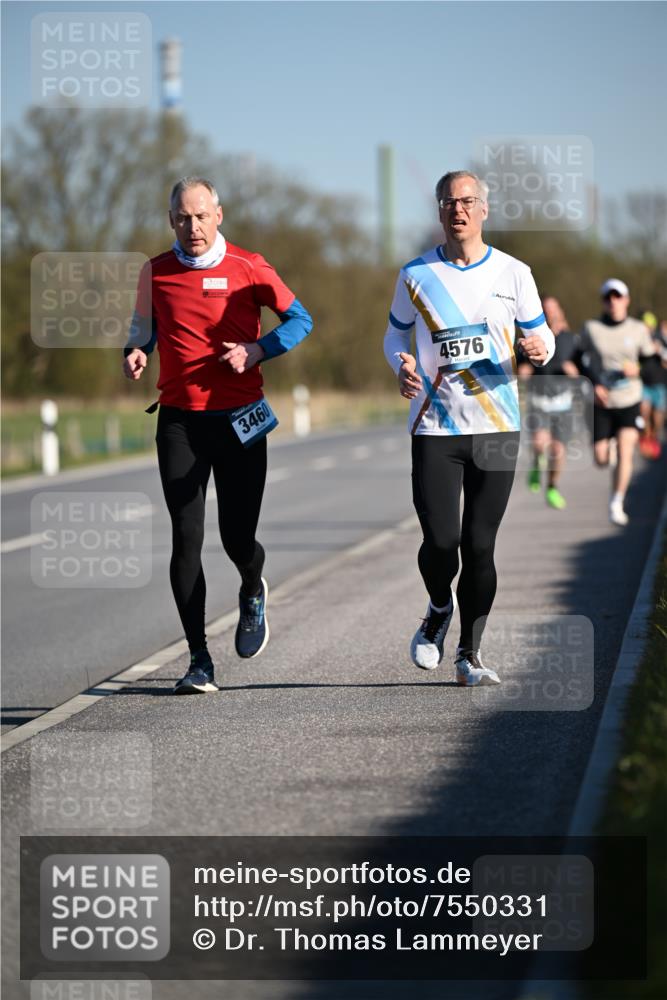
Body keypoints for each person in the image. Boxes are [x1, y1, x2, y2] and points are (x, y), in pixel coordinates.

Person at [123, 177, 312, 693]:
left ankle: (252, 586)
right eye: (183, 218)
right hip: (180, 421)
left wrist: (258, 350)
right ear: (171, 222)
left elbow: (301, 319)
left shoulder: (250, 267)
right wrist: (136, 349)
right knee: (186, 539)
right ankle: (199, 659)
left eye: (202, 215)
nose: (193, 226)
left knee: (236, 538)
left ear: (219, 215)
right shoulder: (156, 272)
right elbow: (144, 325)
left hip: (240, 419)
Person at [383, 170, 554, 686]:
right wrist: (403, 366)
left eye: (467, 201)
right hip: (435, 427)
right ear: (439, 212)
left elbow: (541, 335)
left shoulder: (514, 273)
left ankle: (469, 652)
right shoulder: (415, 274)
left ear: (484, 209)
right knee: (441, 542)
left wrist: (539, 349)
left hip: (497, 427)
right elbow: (393, 339)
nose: (458, 210)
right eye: (448, 202)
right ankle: (438, 607)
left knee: (480, 545)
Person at [579, 279, 655, 526]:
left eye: (618, 296)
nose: (613, 301)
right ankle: (606, 451)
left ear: (626, 300)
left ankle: (617, 502)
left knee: (626, 450)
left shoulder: (638, 329)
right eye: (608, 297)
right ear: (603, 301)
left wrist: (639, 368)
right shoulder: (591, 328)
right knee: (602, 459)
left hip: (629, 399)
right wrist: (594, 384)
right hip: (602, 401)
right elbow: (580, 361)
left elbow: (651, 364)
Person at [519, 295, 579, 510]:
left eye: (554, 308)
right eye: (546, 309)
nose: (551, 312)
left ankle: (552, 486)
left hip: (563, 402)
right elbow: (521, 363)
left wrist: (576, 372)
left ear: (560, 311)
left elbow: (583, 366)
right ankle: (536, 464)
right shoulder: (532, 338)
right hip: (540, 400)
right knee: (539, 443)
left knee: (558, 451)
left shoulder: (571, 339)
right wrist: (523, 370)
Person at [638, 311, 667, 460]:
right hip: (643, 383)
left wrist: (659, 350)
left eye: (647, 325)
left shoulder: (659, 338)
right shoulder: (637, 340)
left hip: (659, 384)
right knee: (644, 410)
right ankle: (646, 437)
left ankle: (654, 436)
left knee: (657, 418)